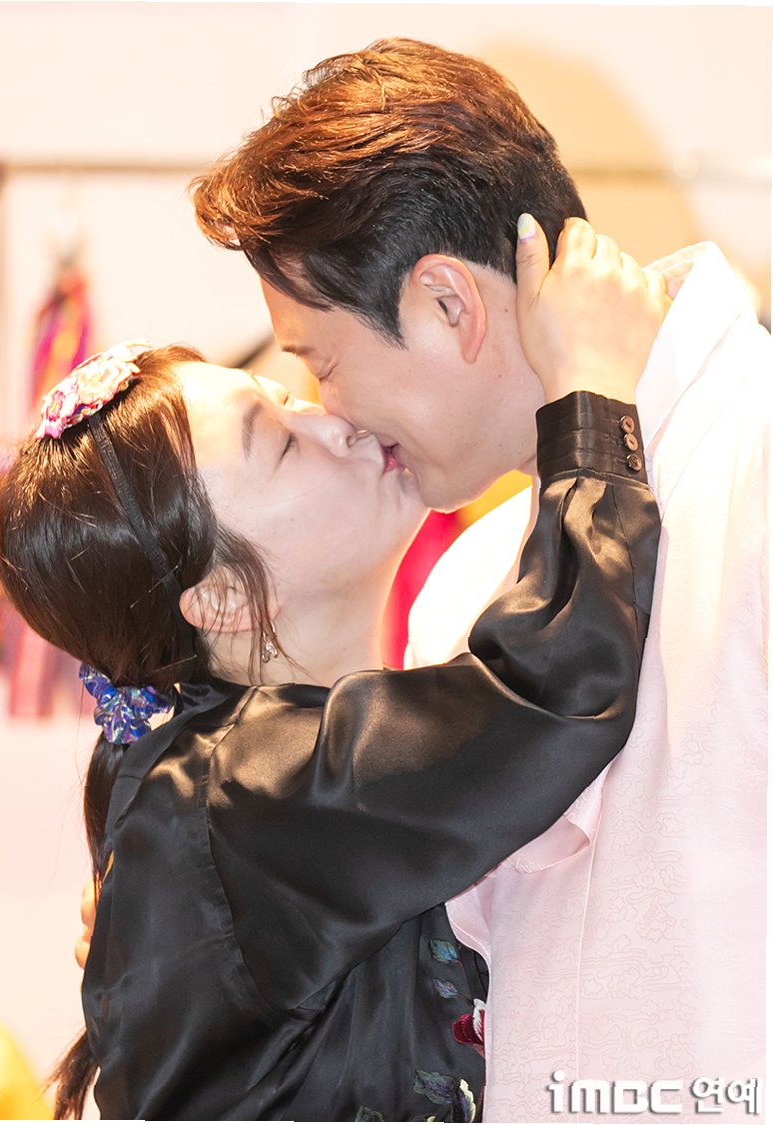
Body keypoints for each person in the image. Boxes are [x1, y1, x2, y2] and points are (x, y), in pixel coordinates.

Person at [190, 37, 769, 1121]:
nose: (330, 416)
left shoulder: (756, 470)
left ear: (448, 305)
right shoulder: (470, 583)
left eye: (320, 362)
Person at [0, 226, 662, 1120]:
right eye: (279, 442)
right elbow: (548, 690)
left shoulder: (234, 788)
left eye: (291, 394)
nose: (334, 419)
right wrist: (593, 392)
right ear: (219, 596)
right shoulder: (245, 794)